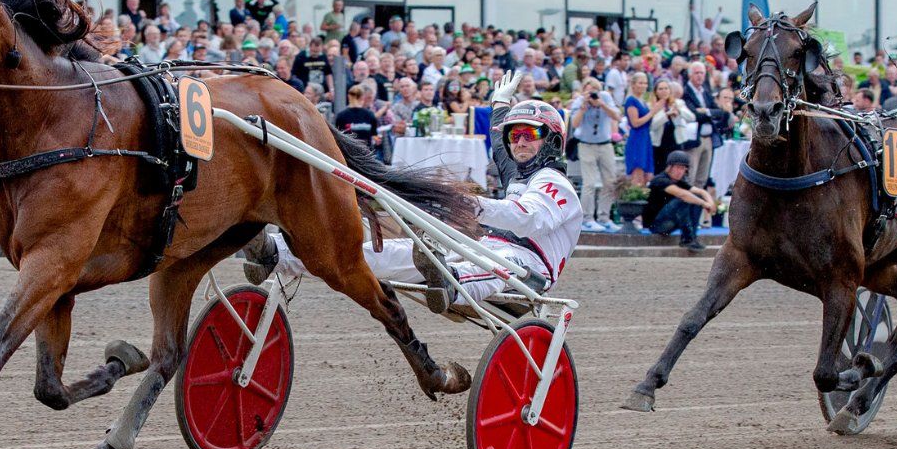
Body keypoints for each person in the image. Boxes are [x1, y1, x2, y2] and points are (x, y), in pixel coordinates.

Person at [239, 70, 582, 316]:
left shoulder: (557, 184)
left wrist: (469, 205)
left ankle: (450, 280)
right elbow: (498, 143)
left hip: (528, 269)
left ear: (551, 140)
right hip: (482, 250)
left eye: (529, 134)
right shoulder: (520, 168)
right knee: (385, 253)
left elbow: (527, 219)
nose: (519, 142)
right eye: (515, 135)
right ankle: (278, 254)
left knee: (493, 263)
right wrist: (499, 103)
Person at [568, 77, 621, 232]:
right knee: (589, 183)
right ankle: (587, 218)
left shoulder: (605, 98)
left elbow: (617, 116)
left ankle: (604, 217)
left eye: (594, 91)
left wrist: (602, 104)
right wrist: (584, 107)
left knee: (610, 181)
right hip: (586, 145)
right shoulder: (579, 101)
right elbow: (575, 124)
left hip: (605, 144)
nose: (592, 94)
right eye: (588, 91)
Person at [643, 150, 715, 252]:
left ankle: (691, 237)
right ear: (669, 167)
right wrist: (704, 204)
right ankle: (687, 238)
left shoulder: (680, 182)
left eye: (682, 168)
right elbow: (682, 194)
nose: (680, 171)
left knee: (695, 198)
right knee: (684, 199)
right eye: (677, 167)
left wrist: (710, 203)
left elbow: (701, 192)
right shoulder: (660, 180)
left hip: (670, 222)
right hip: (657, 225)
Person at [624, 73, 656, 187]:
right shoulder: (631, 100)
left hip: (645, 137)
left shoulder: (643, 101)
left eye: (645, 83)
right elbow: (635, 122)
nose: (643, 85)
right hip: (637, 138)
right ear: (633, 85)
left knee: (647, 174)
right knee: (638, 171)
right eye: (640, 83)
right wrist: (653, 112)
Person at [332, 84, 381, 150]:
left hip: (349, 154)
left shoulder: (341, 115)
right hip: (365, 153)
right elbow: (375, 136)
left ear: (349, 96)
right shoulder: (370, 115)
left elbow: (338, 138)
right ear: (362, 97)